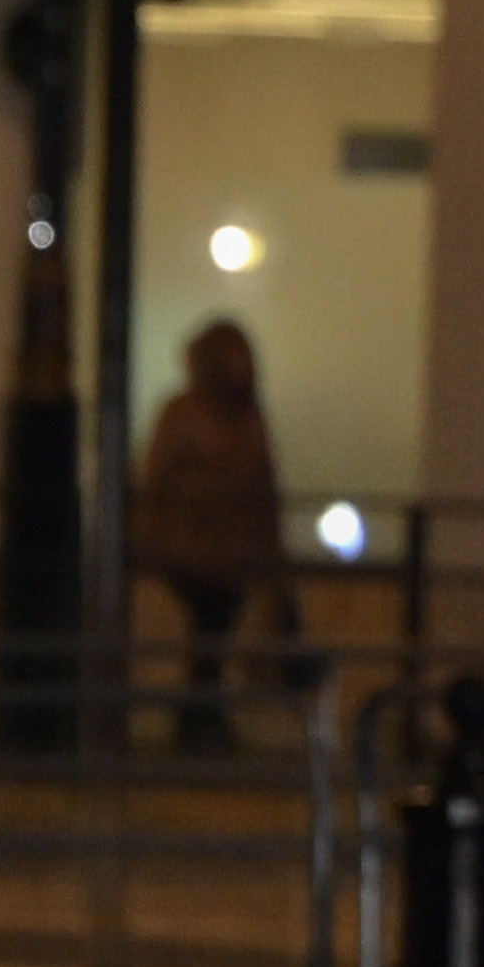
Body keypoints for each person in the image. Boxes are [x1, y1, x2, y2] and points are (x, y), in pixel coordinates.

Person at [134, 317, 283, 754]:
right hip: (190, 551)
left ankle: (200, 716)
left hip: (233, 554)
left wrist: (269, 545)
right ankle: (200, 717)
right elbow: (157, 479)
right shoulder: (183, 413)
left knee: (214, 635)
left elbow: (265, 484)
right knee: (208, 631)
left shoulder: (250, 417)